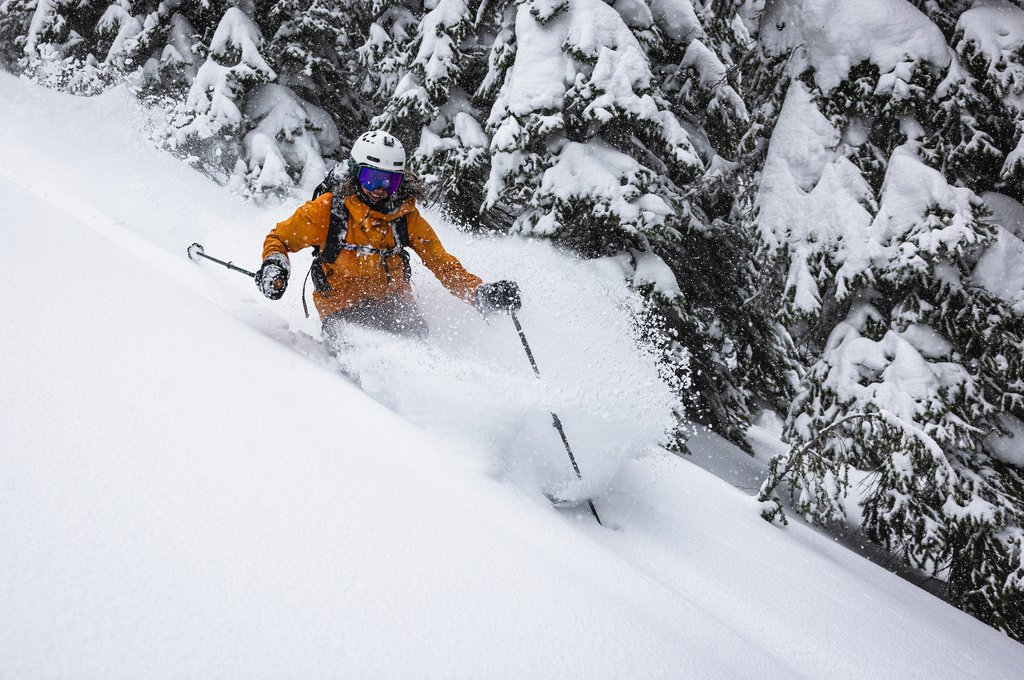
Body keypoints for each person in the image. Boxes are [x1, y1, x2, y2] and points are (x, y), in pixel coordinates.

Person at [254, 130, 521, 346]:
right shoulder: (327, 210)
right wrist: (275, 266)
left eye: (389, 182)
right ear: (356, 174)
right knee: (363, 351)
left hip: (394, 303)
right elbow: (279, 238)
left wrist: (479, 293)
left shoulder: (404, 216)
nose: (381, 190)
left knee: (419, 347)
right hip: (340, 307)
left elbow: (442, 263)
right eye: (372, 179)